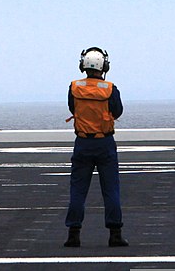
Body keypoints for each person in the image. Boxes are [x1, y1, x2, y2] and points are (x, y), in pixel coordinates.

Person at [64, 47, 129, 248]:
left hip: (83, 143)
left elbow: (72, 108)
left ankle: (73, 234)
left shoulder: (74, 87)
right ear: (104, 66)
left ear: (83, 65)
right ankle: (115, 234)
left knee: (78, 190)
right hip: (105, 143)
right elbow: (117, 112)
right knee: (111, 189)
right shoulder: (110, 89)